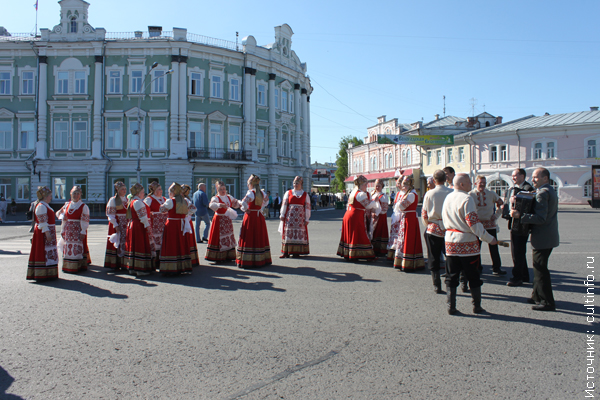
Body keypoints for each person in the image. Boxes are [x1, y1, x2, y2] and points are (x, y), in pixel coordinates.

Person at [442, 173, 498, 315]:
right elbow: (473, 223)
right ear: (461, 184)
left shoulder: (448, 197)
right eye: (468, 182)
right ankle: (476, 306)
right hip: (467, 241)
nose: (471, 184)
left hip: (450, 241)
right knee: (473, 275)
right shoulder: (467, 199)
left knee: (451, 275)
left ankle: (451, 306)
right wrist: (489, 238)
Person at [510, 167, 559, 311]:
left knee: (540, 270)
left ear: (545, 178)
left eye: (536, 177)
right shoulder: (550, 190)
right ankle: (536, 296)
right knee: (538, 268)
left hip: (542, 238)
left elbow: (540, 218)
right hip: (549, 236)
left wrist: (520, 215)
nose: (532, 180)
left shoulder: (542, 193)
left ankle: (547, 302)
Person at [422, 170, 453, 294]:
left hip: (433, 227)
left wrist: (428, 224)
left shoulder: (429, 193)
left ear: (434, 180)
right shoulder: (451, 192)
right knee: (450, 256)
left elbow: (424, 213)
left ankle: (437, 284)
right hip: (449, 227)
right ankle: (451, 281)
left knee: (433, 256)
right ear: (445, 179)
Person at [337, 175, 380, 261]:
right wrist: (375, 201)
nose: (366, 187)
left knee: (351, 234)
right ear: (361, 185)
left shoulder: (353, 192)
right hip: (356, 215)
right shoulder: (361, 194)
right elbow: (368, 205)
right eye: (365, 185)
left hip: (349, 214)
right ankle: (367, 254)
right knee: (360, 233)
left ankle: (349, 253)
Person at [469, 175, 506, 276]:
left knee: (494, 246)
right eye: (480, 183)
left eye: (484, 183)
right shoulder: (470, 195)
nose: (482, 185)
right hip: (477, 225)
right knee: (476, 247)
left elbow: (501, 204)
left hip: (490, 224)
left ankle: (496, 268)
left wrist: (496, 215)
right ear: (475, 183)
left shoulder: (491, 194)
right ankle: (478, 268)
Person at [505, 168, 535, 287]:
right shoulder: (515, 189)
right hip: (515, 224)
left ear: (522, 176)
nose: (513, 178)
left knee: (517, 252)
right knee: (519, 251)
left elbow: (529, 207)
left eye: (515, 175)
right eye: (512, 176)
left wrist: (516, 202)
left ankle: (517, 277)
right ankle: (524, 275)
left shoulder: (527, 189)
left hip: (522, 225)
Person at [390, 175, 425, 271]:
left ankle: (409, 261)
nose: (403, 186)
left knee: (408, 238)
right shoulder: (408, 194)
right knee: (404, 239)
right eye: (403, 184)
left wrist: (398, 204)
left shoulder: (411, 195)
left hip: (409, 218)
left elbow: (401, 206)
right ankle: (404, 260)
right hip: (406, 217)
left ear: (410, 185)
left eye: (405, 184)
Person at [158, 183, 193, 275]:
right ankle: (182, 266)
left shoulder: (170, 201)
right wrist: (186, 214)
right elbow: (193, 209)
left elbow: (162, 210)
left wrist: (161, 205)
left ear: (173, 192)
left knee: (172, 244)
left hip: (172, 225)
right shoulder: (185, 200)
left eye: (170, 192)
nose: (169, 194)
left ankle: (170, 267)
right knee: (180, 243)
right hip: (181, 224)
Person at [237, 174, 272, 268]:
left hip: (251, 216)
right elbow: (266, 202)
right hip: (259, 216)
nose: (247, 185)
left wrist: (245, 209)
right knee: (259, 235)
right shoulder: (262, 193)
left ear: (251, 184)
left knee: (249, 235)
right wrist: (260, 208)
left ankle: (248, 260)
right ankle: (260, 259)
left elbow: (244, 203)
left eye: (248, 183)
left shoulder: (250, 193)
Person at [56, 185, 91, 273]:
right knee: (68, 247)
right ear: (71, 194)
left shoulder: (83, 206)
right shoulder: (67, 205)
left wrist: (83, 231)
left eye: (77, 193)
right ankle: (68, 266)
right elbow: (59, 214)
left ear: (80, 195)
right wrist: (62, 217)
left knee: (76, 248)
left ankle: (76, 266)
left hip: (77, 230)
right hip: (68, 230)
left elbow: (85, 220)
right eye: (74, 193)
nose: (76, 195)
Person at [27, 187, 59, 281]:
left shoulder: (45, 205)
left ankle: (49, 273)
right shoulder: (41, 206)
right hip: (43, 233)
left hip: (46, 231)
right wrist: (47, 233)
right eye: (50, 196)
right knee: (43, 251)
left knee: (48, 251)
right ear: (45, 197)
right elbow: (42, 222)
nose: (51, 197)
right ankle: (42, 274)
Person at [205, 181, 240, 263]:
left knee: (228, 236)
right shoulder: (216, 198)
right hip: (219, 219)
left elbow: (235, 204)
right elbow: (211, 205)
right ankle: (217, 256)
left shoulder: (229, 197)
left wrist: (239, 203)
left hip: (227, 220)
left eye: (224, 189)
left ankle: (228, 255)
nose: (223, 190)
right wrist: (219, 205)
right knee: (219, 236)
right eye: (221, 189)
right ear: (217, 189)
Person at [124, 183, 154, 276]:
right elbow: (143, 217)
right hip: (139, 226)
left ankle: (133, 267)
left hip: (135, 225)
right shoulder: (138, 202)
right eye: (143, 192)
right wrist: (147, 226)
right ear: (138, 193)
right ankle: (140, 269)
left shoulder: (133, 201)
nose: (144, 194)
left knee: (134, 245)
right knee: (140, 245)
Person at [279, 176, 311, 258]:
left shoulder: (305, 194)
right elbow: (284, 204)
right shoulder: (288, 193)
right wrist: (282, 214)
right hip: (290, 217)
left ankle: (296, 252)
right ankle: (286, 252)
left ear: (301, 184)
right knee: (288, 233)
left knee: (299, 233)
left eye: (297, 183)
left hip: (300, 218)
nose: (295, 185)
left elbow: (307, 207)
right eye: (294, 183)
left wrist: (307, 218)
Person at [104, 181, 129, 270]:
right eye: (122, 189)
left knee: (125, 242)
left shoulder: (127, 199)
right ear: (117, 190)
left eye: (125, 189)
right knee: (117, 241)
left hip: (125, 224)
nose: (124, 191)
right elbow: (110, 214)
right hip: (117, 223)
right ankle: (115, 263)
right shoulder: (113, 200)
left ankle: (124, 263)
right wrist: (115, 225)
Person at [144, 181, 166, 269]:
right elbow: (144, 210)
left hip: (163, 225)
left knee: (163, 241)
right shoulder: (149, 199)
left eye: (161, 189)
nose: (161, 191)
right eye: (159, 189)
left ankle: (162, 260)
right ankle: (155, 261)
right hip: (154, 225)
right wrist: (152, 214)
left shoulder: (164, 199)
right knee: (155, 242)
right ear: (154, 190)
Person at [370, 179, 389, 256]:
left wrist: (376, 212)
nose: (377, 187)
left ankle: (381, 249)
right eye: (376, 186)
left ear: (382, 186)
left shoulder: (384, 196)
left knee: (380, 232)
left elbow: (385, 209)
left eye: (379, 186)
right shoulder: (372, 194)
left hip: (380, 217)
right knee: (373, 232)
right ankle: (373, 248)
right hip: (373, 217)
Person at [181, 184, 199, 267]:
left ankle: (190, 258)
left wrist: (188, 214)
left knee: (188, 236)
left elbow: (193, 208)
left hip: (187, 219)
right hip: (184, 219)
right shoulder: (181, 198)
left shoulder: (187, 199)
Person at [387, 177, 404, 261]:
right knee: (394, 236)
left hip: (401, 216)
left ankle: (400, 253)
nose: (398, 186)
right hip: (396, 216)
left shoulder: (407, 193)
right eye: (397, 184)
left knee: (400, 236)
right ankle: (393, 253)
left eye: (399, 184)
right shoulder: (398, 193)